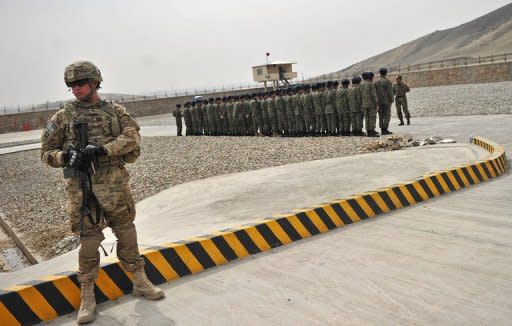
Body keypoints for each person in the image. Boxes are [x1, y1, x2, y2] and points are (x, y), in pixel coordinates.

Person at [41, 61, 164, 324]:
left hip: (114, 184)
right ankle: (87, 294)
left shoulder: (115, 112)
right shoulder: (62, 118)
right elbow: (45, 154)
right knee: (88, 240)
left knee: (126, 231)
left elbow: (132, 138)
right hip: (82, 188)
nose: (75, 89)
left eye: (80, 83)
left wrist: (103, 149)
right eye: (71, 85)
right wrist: (66, 156)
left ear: (95, 83)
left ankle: (139, 280)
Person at [374, 68, 394, 134]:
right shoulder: (388, 82)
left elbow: (375, 92)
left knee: (381, 115)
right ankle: (385, 129)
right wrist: (391, 100)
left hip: (379, 102)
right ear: (386, 73)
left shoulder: (376, 82)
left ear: (380, 73)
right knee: (387, 115)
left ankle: (382, 129)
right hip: (386, 101)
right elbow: (390, 92)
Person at [360, 72, 379, 137]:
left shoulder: (361, 85)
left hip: (364, 104)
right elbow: (374, 95)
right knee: (372, 117)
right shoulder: (370, 84)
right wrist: (377, 103)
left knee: (367, 118)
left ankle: (368, 131)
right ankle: (372, 131)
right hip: (371, 104)